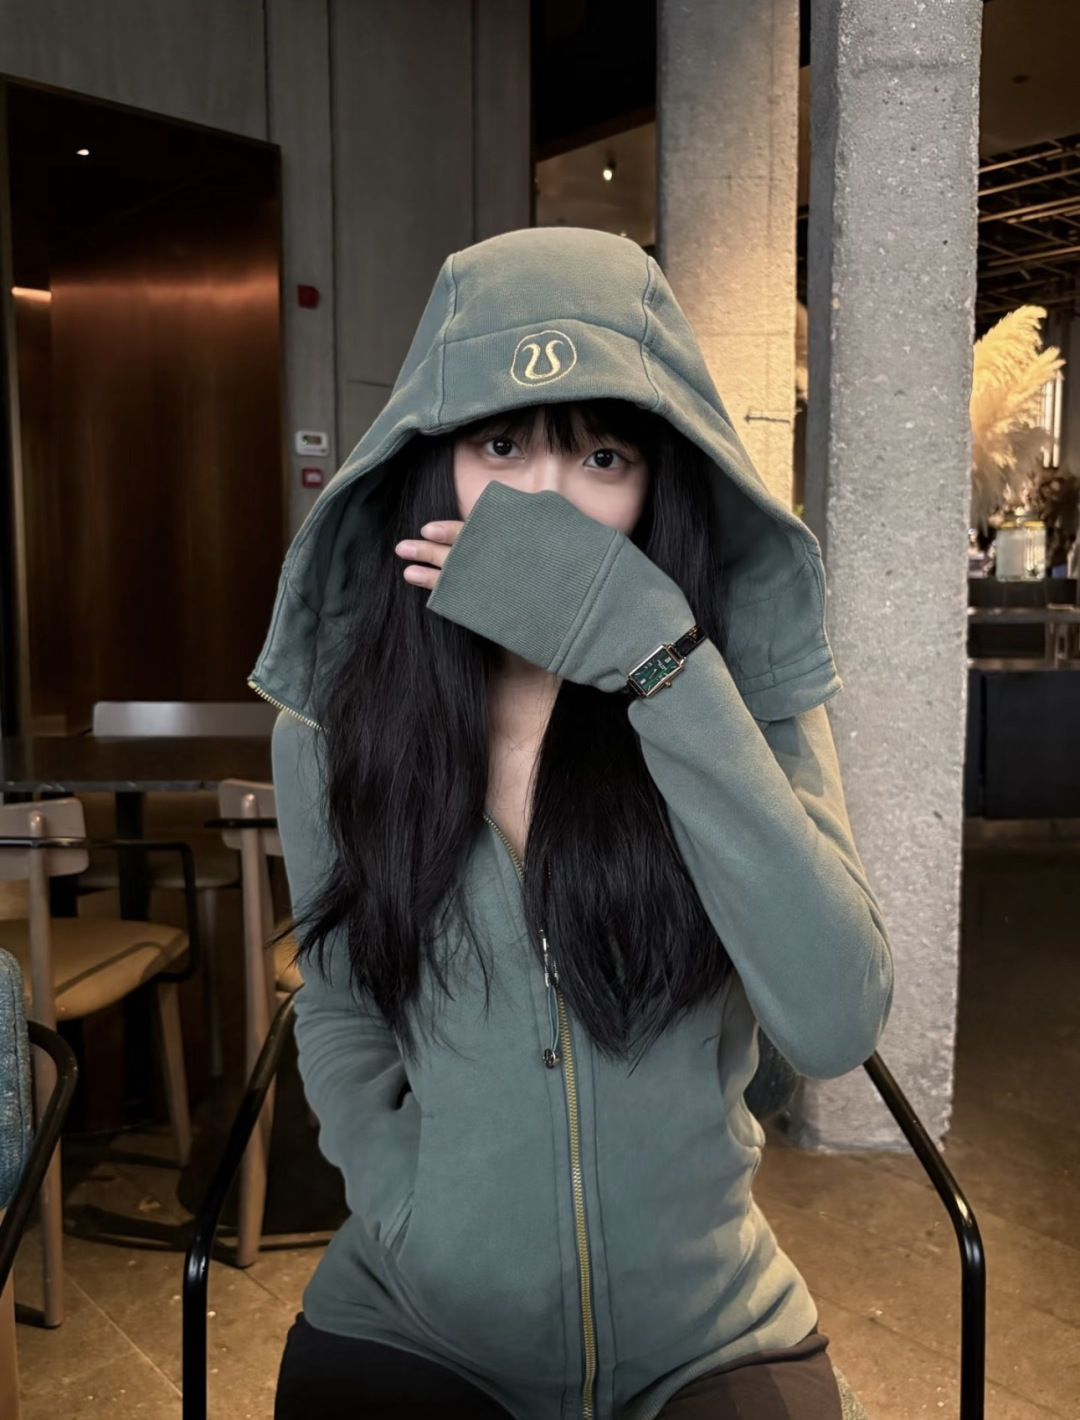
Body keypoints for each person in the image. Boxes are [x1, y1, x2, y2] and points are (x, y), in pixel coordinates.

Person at [252, 226, 894, 1420]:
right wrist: (404, 1201)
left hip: (707, 1325)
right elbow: (338, 1005)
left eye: (602, 455)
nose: (544, 502)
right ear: (431, 463)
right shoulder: (339, 722)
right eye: (501, 446)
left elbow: (834, 1018)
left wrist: (660, 663)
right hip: (419, 1314)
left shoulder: (741, 694)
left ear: (659, 483)